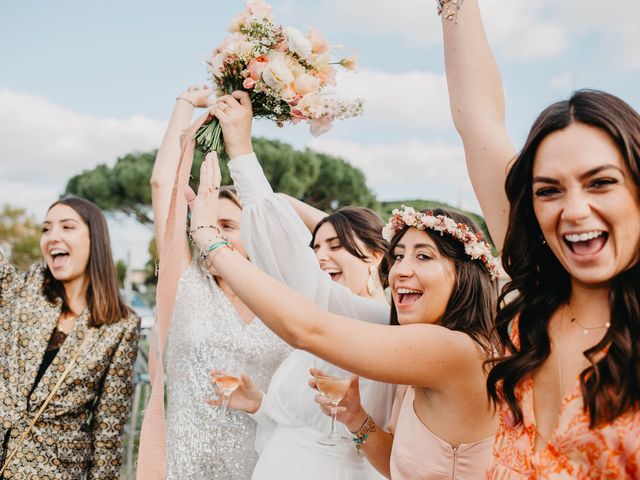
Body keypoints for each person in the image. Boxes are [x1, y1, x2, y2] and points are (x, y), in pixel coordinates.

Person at [186, 153, 501, 480]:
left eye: (423, 256)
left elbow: (307, 329)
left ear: (465, 275)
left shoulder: (451, 348)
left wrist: (210, 238)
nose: (400, 271)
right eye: (398, 257)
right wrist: (356, 418)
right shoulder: (432, 346)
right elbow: (396, 465)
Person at [440, 0, 640, 476]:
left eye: (601, 182)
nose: (574, 210)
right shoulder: (536, 297)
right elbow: (478, 121)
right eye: (549, 190)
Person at [206, 93, 395, 479]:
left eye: (336, 247)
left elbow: (298, 267)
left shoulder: (381, 323)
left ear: (377, 255)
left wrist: (241, 152)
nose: (320, 257)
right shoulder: (327, 318)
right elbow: (294, 426)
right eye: (316, 247)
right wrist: (258, 404)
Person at [150, 85, 291, 479]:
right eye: (208, 223)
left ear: (254, 234)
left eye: (228, 225)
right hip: (186, 468)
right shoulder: (185, 283)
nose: (212, 232)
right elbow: (164, 186)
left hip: (266, 467)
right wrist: (185, 106)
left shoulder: (279, 297)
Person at [0, 197, 140, 479]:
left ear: (95, 240)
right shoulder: (24, 287)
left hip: (55, 472)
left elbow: (108, 431)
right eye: (46, 229)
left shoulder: (121, 325)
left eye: (67, 227)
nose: (53, 237)